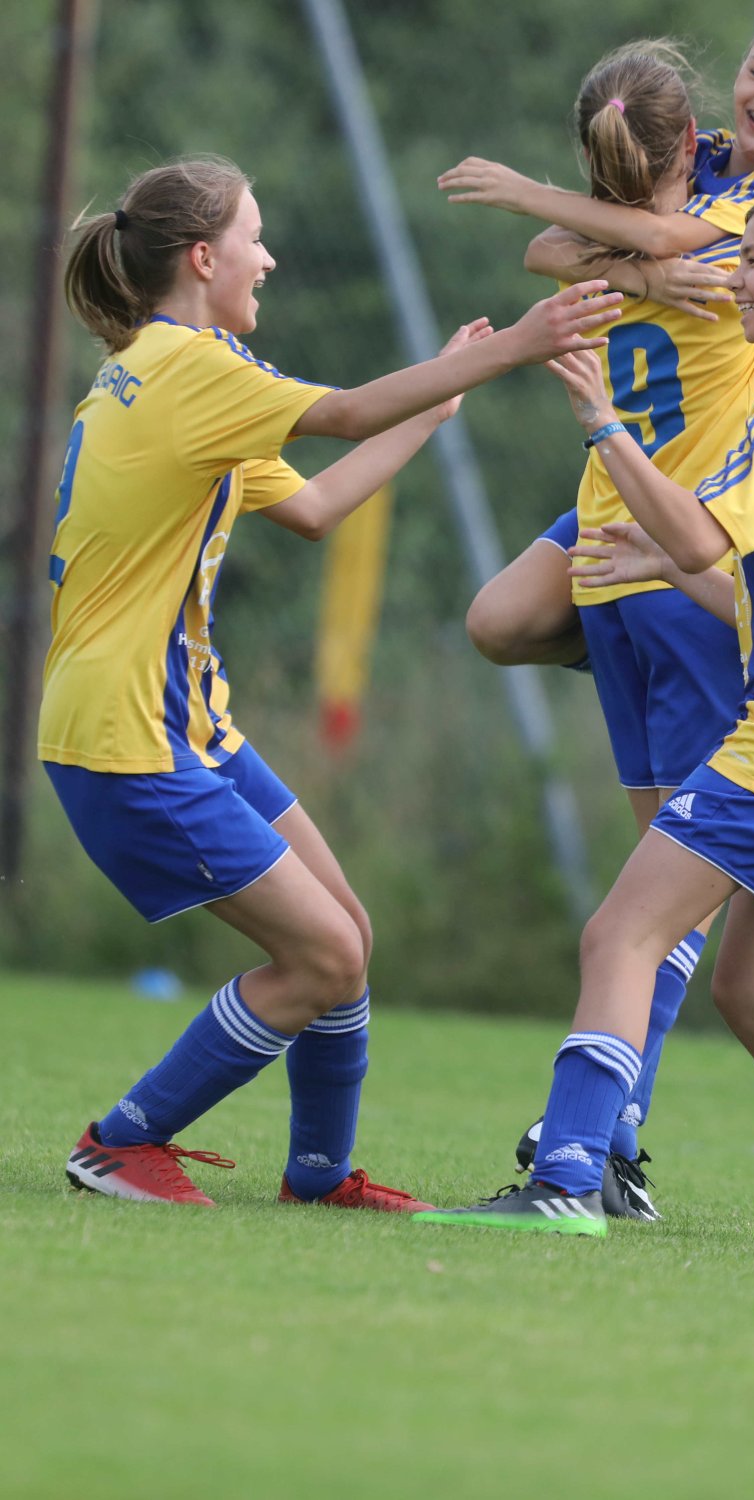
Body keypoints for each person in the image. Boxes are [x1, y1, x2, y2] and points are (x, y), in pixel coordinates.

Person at [44, 155, 622, 1209]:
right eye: (254, 237)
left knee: (345, 938)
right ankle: (120, 1142)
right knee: (318, 957)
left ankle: (317, 1177)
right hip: (125, 738)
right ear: (203, 258)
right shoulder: (190, 371)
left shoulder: (176, 371)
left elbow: (312, 508)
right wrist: (521, 345)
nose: (268, 257)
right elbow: (349, 411)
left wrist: (433, 409)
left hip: (186, 725)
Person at [438, 16, 754, 1213]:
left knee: (631, 928)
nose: (736, 277)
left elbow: (710, 542)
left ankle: (580, 1166)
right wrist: (636, 270)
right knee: (751, 987)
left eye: (752, 264)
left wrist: (604, 425)